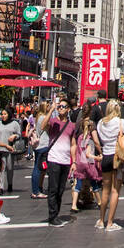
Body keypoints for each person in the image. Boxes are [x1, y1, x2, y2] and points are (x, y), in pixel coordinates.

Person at [96, 99, 124, 231]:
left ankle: (101, 220)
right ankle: (110, 223)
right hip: (117, 158)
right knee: (115, 190)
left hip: (105, 156)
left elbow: (99, 139)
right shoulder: (121, 122)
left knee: (105, 190)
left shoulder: (100, 123)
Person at [44, 98, 77, 229]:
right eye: (60, 107)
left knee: (60, 189)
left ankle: (56, 214)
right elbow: (42, 126)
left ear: (68, 109)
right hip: (53, 159)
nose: (61, 108)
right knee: (53, 188)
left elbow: (73, 144)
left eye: (64, 106)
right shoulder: (53, 122)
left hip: (65, 160)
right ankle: (52, 216)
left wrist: (74, 161)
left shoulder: (71, 125)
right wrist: (51, 109)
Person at [71, 116, 101, 211]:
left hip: (79, 163)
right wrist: (98, 157)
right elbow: (88, 154)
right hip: (88, 164)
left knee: (78, 185)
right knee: (94, 183)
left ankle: (74, 205)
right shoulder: (89, 139)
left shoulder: (79, 138)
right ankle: (100, 202)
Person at [0, 107, 22, 193]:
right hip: (1, 149)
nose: (3, 116)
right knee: (2, 169)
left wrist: (14, 136)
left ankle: (10, 183)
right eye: (2, 114)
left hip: (10, 149)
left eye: (5, 114)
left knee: (10, 168)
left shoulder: (14, 124)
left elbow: (19, 135)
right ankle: (1, 186)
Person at [30, 101, 50, 199]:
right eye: (47, 106)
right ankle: (36, 191)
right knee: (39, 168)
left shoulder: (38, 117)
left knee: (39, 168)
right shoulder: (42, 118)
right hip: (42, 145)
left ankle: (37, 189)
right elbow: (45, 126)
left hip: (39, 146)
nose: (49, 107)